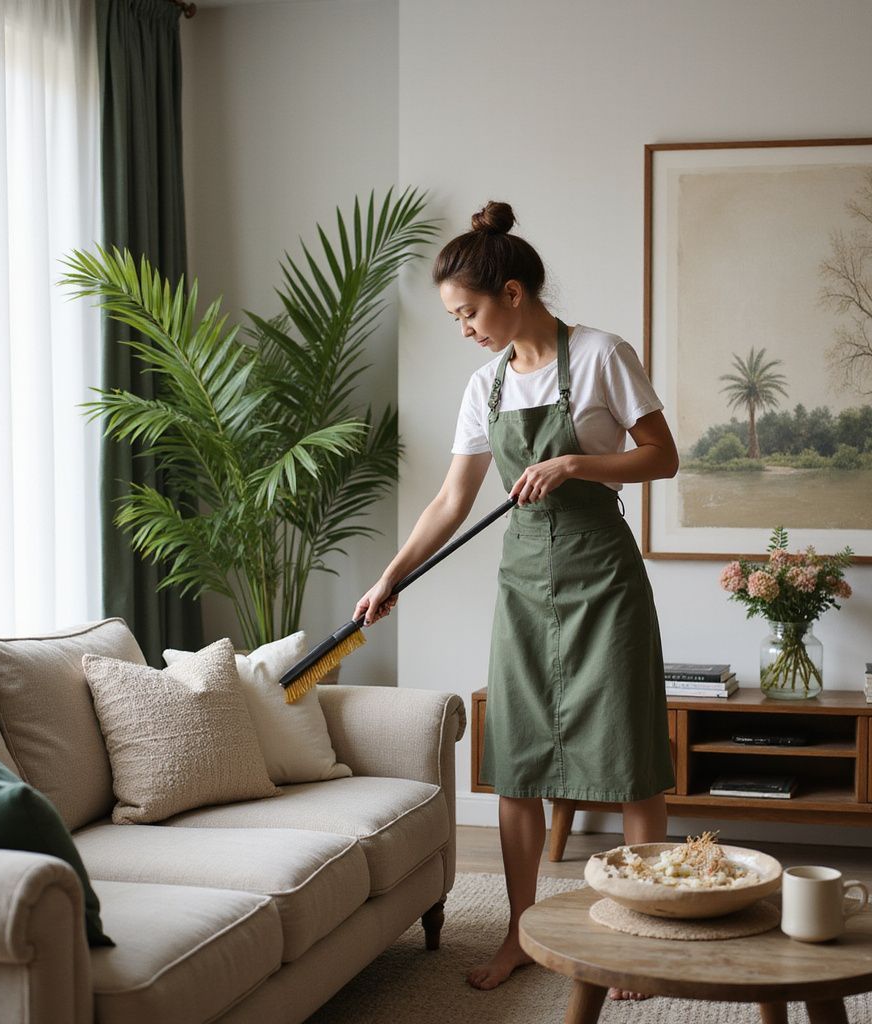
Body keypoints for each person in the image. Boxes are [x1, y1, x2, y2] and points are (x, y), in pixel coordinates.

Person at [354, 201, 678, 998]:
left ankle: (641, 932)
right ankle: (521, 933)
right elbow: (450, 500)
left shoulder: (603, 355)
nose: (464, 329)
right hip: (525, 587)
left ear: (512, 291)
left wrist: (574, 465)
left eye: (468, 313)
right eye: (456, 318)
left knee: (632, 763)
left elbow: (663, 457)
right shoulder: (486, 383)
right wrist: (391, 574)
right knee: (517, 767)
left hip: (604, 578)